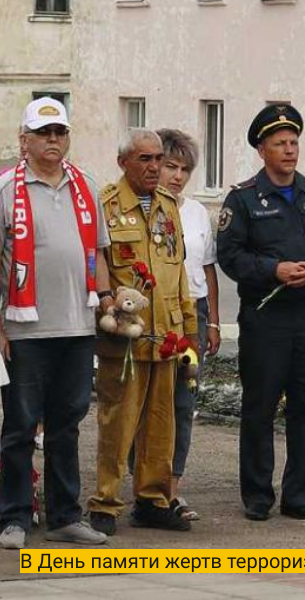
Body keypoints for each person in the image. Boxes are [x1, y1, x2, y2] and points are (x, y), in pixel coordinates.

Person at [217, 104, 305, 522]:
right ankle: (258, 495)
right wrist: (272, 269)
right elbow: (230, 255)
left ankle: (300, 496)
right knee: (260, 406)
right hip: (265, 317)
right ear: (262, 150)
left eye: (294, 143)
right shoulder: (242, 199)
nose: (290, 150)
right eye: (280, 144)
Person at [0, 97, 109, 549]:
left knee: (68, 424)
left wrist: (104, 303)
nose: (52, 140)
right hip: (24, 330)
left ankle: (65, 515)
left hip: (78, 328)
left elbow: (99, 253)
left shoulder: (85, 185)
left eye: (59, 132)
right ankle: (14, 517)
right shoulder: (6, 188)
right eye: (43, 133)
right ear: (23, 139)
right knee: (20, 427)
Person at [87, 129, 198, 536]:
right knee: (117, 423)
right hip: (127, 335)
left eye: (158, 159)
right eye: (145, 160)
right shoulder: (106, 204)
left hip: (166, 333)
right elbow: (96, 265)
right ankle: (105, 501)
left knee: (161, 423)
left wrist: (189, 329)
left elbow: (178, 271)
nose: (154, 167)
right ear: (124, 163)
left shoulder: (169, 206)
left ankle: (152, 500)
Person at [157, 128, 221, 520]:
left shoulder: (196, 212)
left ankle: (173, 488)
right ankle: (147, 484)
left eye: (185, 169)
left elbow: (207, 267)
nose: (177, 176)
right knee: (149, 401)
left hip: (192, 315)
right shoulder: (143, 208)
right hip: (155, 311)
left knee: (184, 400)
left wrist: (213, 321)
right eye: (170, 166)